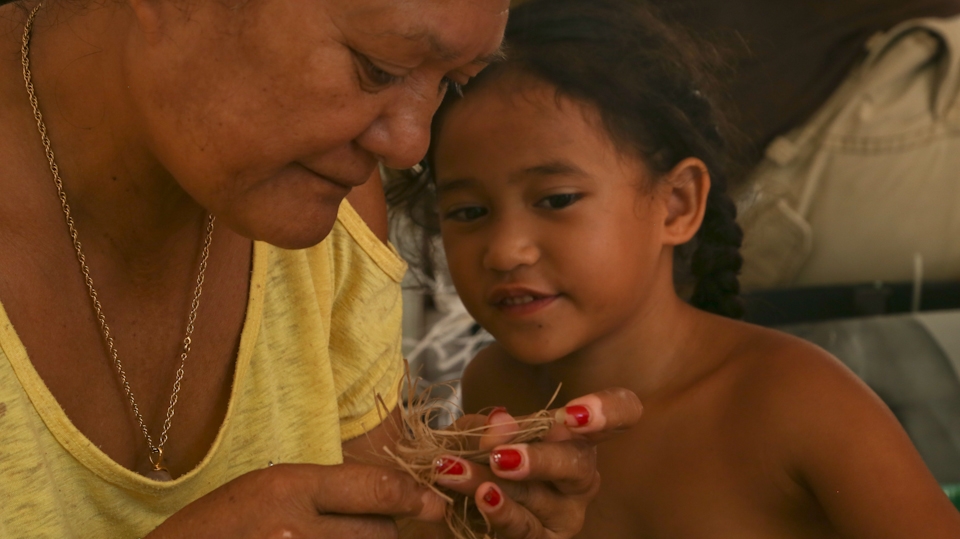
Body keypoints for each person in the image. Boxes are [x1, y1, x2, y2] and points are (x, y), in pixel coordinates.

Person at [0, 0, 644, 537]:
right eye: (378, 68)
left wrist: (436, 516)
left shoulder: (332, 216)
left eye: (452, 80)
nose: (411, 146)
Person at [392, 0, 960, 535]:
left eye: (557, 199)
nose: (506, 250)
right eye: (468, 211)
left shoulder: (797, 401)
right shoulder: (497, 389)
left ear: (678, 203)